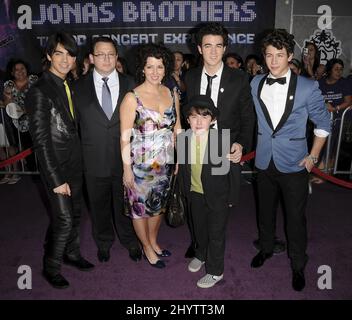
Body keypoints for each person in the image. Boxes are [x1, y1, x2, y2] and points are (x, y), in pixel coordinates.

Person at [249, 29, 330, 291]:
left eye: (279, 55)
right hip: (263, 161)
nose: (273, 61)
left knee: (295, 218)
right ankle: (266, 247)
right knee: (264, 212)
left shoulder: (307, 87)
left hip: (295, 163)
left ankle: (298, 264)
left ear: (290, 56)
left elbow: (323, 123)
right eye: (269, 55)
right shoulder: (255, 83)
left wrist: (313, 156)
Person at [25, 32, 94, 289]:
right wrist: (55, 180)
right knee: (63, 219)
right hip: (56, 168)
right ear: (48, 56)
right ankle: (50, 266)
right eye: (59, 53)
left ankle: (72, 254)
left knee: (76, 215)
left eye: (70, 54)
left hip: (75, 163)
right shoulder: (40, 91)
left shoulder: (68, 85)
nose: (65, 60)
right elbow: (41, 142)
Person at [184, 22, 255, 258]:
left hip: (222, 145)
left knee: (217, 209)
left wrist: (241, 144)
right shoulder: (191, 76)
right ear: (199, 49)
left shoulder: (239, 78)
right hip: (193, 145)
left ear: (225, 49)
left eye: (218, 45)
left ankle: (214, 262)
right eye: (208, 45)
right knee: (195, 202)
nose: (213, 51)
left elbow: (247, 117)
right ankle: (199, 249)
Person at [73, 37, 141, 263]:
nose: (106, 58)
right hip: (92, 160)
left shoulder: (130, 83)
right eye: (100, 54)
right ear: (91, 58)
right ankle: (103, 242)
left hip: (125, 160)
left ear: (116, 56)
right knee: (98, 206)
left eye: (111, 54)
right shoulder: (77, 87)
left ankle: (130, 241)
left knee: (125, 204)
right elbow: (73, 126)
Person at [120, 43, 181, 268]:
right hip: (139, 167)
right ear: (142, 69)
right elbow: (125, 137)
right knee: (140, 210)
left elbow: (178, 128)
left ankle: (154, 241)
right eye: (150, 67)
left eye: (160, 67)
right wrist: (127, 170)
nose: (155, 72)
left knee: (159, 206)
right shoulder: (131, 98)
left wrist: (179, 157)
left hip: (164, 164)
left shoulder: (171, 93)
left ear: (166, 69)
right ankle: (146, 246)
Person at [177, 94, 239, 288]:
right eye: (194, 117)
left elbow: (233, 172)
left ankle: (215, 271)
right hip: (194, 193)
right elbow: (183, 169)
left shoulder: (221, 140)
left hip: (218, 196)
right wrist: (183, 192)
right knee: (199, 229)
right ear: (187, 119)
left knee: (216, 234)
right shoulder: (184, 139)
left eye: (204, 117)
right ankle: (201, 254)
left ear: (213, 120)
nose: (199, 121)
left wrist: (232, 197)